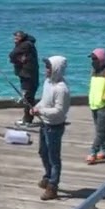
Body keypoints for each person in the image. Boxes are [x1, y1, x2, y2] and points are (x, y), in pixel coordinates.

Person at [31, 55, 70, 200]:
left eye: (49, 67)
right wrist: (36, 107)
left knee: (54, 158)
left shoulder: (62, 89)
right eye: (46, 67)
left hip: (55, 127)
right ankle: (47, 176)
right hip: (44, 123)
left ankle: (53, 186)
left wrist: (41, 111)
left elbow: (60, 111)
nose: (46, 70)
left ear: (56, 69)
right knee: (42, 152)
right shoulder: (47, 82)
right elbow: (44, 101)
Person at [8, 30, 40, 127]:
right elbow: (13, 57)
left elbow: (12, 55)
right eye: (14, 37)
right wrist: (18, 60)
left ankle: (27, 120)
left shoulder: (25, 45)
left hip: (28, 76)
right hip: (28, 75)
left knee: (27, 97)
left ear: (22, 37)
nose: (15, 40)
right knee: (28, 97)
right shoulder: (26, 44)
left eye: (17, 37)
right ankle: (27, 118)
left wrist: (16, 59)